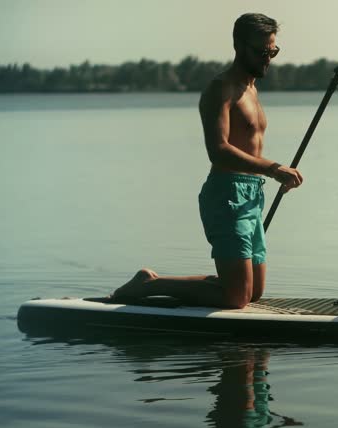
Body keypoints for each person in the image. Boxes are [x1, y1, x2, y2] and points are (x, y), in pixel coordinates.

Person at [113, 13, 303, 308]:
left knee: (253, 293)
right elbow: (218, 149)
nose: (268, 58)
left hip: (253, 194)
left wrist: (275, 177)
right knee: (236, 298)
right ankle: (149, 284)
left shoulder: (252, 89)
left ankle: (222, 287)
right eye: (261, 51)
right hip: (227, 194)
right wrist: (274, 169)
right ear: (239, 45)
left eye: (273, 51)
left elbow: (249, 148)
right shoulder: (221, 88)